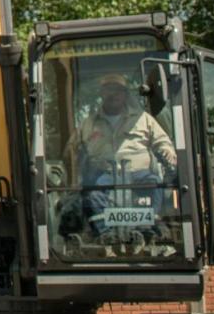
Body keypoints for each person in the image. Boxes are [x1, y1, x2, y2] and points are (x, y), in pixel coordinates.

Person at [65, 73, 177, 232]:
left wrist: (167, 151)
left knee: (155, 185)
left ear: (125, 94)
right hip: (105, 176)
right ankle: (106, 235)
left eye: (118, 90)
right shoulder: (88, 123)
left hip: (139, 175)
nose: (113, 94)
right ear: (102, 94)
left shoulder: (143, 119)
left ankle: (147, 228)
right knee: (91, 195)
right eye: (108, 90)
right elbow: (70, 149)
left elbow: (162, 141)